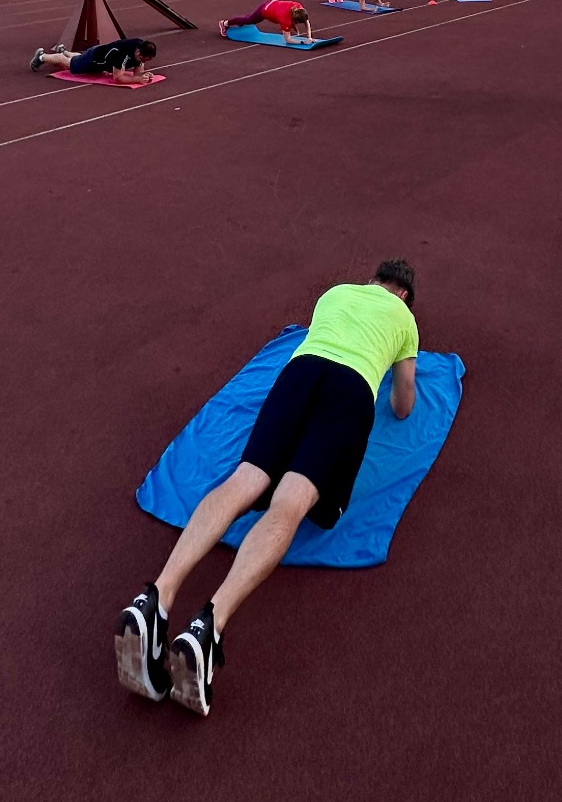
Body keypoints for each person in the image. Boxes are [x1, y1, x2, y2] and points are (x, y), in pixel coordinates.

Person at [115, 259, 419, 716]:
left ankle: (156, 597)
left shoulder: (335, 293)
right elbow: (402, 403)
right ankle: (208, 627)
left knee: (247, 478)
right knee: (291, 504)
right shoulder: (403, 317)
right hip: (351, 391)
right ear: (403, 295)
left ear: (370, 281)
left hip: (300, 373)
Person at [31, 36, 158, 82]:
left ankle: (64, 51)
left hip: (100, 53)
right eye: (143, 59)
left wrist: (144, 75)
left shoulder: (140, 48)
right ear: (138, 52)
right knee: (69, 65)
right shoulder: (122, 54)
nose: (143, 62)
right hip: (95, 58)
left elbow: (138, 70)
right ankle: (42, 57)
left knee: (80, 58)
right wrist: (136, 79)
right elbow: (118, 78)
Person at [220, 0, 313, 42]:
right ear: (295, 19)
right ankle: (225, 23)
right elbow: (288, 40)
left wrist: (309, 37)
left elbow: (307, 22)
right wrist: (303, 41)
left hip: (273, 3)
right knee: (248, 20)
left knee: (248, 19)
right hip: (265, 11)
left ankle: (240, 22)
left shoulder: (298, 7)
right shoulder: (285, 20)